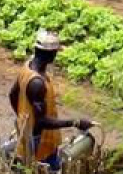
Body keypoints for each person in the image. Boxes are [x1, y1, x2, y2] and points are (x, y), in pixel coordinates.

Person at [8, 29, 93, 171]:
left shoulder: (27, 68)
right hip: (40, 141)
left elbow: (12, 94)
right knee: (48, 167)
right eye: (55, 52)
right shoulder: (37, 83)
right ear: (51, 54)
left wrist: (23, 119)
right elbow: (42, 121)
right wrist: (75, 122)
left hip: (28, 134)